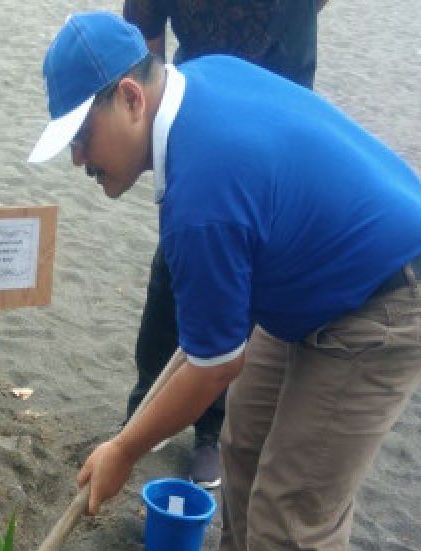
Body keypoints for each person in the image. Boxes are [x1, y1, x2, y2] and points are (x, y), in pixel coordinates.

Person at [29, 12, 421, 551]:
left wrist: (125, 449)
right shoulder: (201, 83)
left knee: (296, 530)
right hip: (315, 277)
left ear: (129, 96)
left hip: (386, 303)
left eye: (82, 140)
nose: (80, 162)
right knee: (246, 444)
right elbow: (207, 352)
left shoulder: (200, 195)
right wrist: (129, 433)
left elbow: (211, 364)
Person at [120, 0, 330, 488]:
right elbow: (143, 31)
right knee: (180, 257)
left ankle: (211, 430)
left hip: (282, 75)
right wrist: (155, 116)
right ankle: (147, 401)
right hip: (200, 86)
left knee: (248, 266)